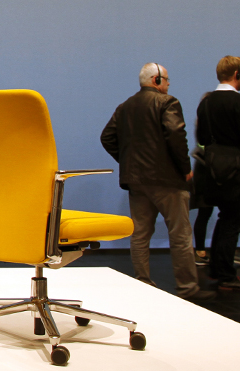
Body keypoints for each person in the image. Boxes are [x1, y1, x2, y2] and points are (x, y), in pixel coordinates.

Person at [101, 63, 214, 300]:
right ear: (157, 80)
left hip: (136, 181)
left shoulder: (125, 107)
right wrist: (185, 168)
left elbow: (107, 137)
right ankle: (187, 288)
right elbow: (176, 134)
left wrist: (127, 161)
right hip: (167, 180)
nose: (169, 84)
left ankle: (143, 282)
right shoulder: (168, 102)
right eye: (167, 79)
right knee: (180, 234)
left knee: (140, 234)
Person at [195, 56, 240, 290]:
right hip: (235, 169)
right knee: (232, 221)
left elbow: (202, 138)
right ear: (237, 75)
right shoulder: (237, 102)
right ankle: (225, 274)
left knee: (224, 218)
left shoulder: (206, 103)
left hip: (212, 168)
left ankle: (217, 268)